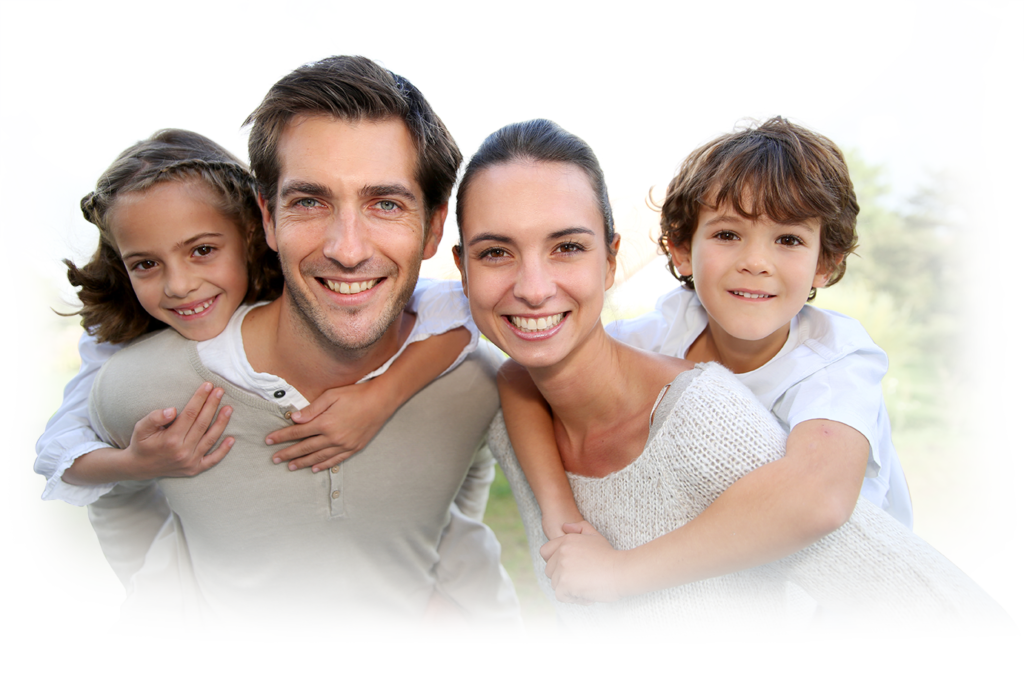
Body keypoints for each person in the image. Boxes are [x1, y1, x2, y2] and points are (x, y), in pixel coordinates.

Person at [453, 117, 1018, 641]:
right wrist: (563, 519)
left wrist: (620, 571)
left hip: (839, 598)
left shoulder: (834, 358)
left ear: (826, 262)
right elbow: (524, 379)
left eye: (789, 239)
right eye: (727, 235)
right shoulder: (666, 332)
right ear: (681, 249)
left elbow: (816, 504)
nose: (756, 261)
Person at [80, 56, 526, 642]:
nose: (346, 249)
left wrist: (440, 583)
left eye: (386, 204)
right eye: (310, 202)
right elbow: (114, 496)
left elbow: (464, 472)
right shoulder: (142, 389)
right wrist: (175, 607)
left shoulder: (474, 381)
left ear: (435, 227)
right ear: (266, 218)